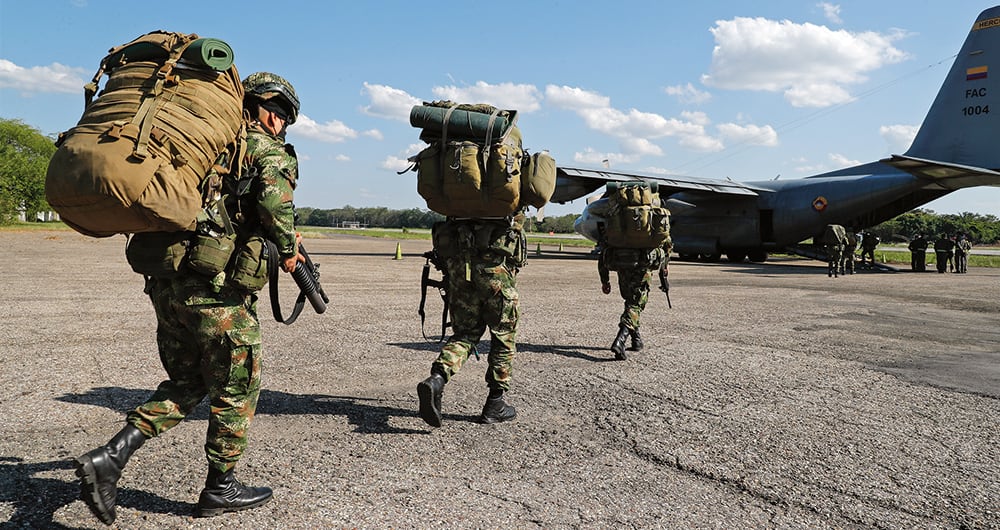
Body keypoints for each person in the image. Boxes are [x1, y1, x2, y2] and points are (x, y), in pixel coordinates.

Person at [75, 72, 304, 523]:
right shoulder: (262, 149)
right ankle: (220, 488)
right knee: (237, 387)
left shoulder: (195, 148)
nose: (279, 122)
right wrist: (291, 253)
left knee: (188, 384)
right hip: (215, 291)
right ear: (258, 106)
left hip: (167, 283)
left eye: (285, 117)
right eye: (276, 112)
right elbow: (276, 207)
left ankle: (110, 457)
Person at [417, 214, 527, 427]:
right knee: (503, 335)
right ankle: (495, 404)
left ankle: (437, 379)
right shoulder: (506, 188)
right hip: (494, 271)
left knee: (465, 334)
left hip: (459, 268)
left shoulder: (459, 189)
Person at [598, 240, 672, 360]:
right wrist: (665, 267)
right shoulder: (651, 226)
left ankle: (636, 340)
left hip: (623, 265)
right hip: (643, 268)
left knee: (630, 302)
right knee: (636, 304)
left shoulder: (620, 226)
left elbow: (604, 251)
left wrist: (604, 280)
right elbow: (667, 245)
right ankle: (620, 341)